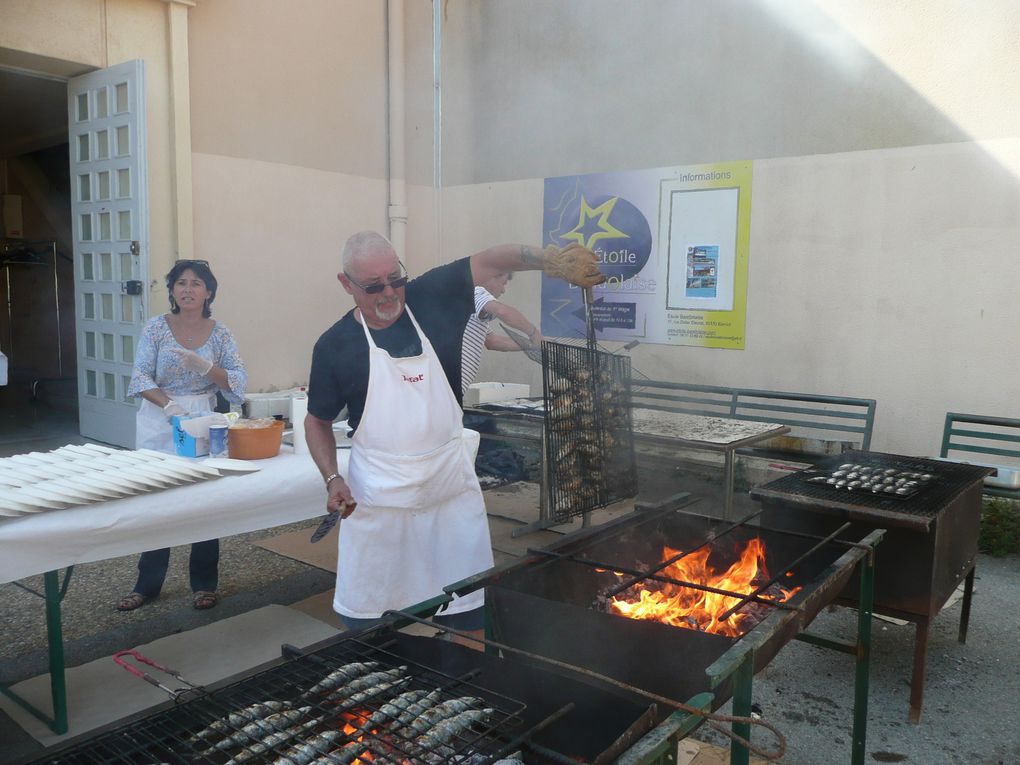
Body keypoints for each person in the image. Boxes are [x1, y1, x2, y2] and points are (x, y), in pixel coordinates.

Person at [304, 231, 603, 644]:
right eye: (374, 286)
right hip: (382, 506)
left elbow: (492, 258)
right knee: (373, 627)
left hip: (450, 499)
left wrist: (549, 260)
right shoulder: (335, 346)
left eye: (396, 278)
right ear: (346, 284)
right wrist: (331, 478)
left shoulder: (427, 299)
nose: (390, 293)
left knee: (469, 611)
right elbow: (316, 421)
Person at [117, 259, 247, 612]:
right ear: (173, 290)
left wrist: (206, 367)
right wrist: (170, 407)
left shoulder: (220, 333)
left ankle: (204, 583)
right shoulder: (156, 328)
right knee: (157, 500)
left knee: (203, 500)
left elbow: (238, 385)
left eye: (196, 283)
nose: (187, 289)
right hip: (160, 418)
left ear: (209, 292)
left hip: (203, 418)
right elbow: (141, 377)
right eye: (180, 283)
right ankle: (148, 583)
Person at [461, 271, 544, 395]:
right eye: (503, 283)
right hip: (444, 383)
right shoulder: (475, 292)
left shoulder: (473, 310)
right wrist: (534, 333)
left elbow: (493, 342)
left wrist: (532, 345)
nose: (503, 290)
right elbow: (502, 311)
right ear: (491, 278)